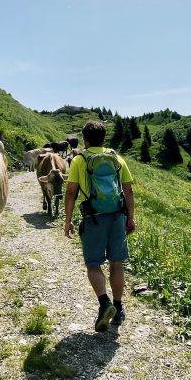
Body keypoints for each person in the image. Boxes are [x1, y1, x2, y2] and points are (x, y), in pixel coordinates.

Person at [63, 120, 135, 332]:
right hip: (117, 217)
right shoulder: (117, 158)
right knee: (116, 263)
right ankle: (118, 309)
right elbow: (128, 191)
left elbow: (70, 193)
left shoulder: (79, 160)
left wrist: (68, 220)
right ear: (104, 138)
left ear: (84, 139)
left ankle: (105, 303)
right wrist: (130, 218)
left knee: (93, 264)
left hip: (94, 218)